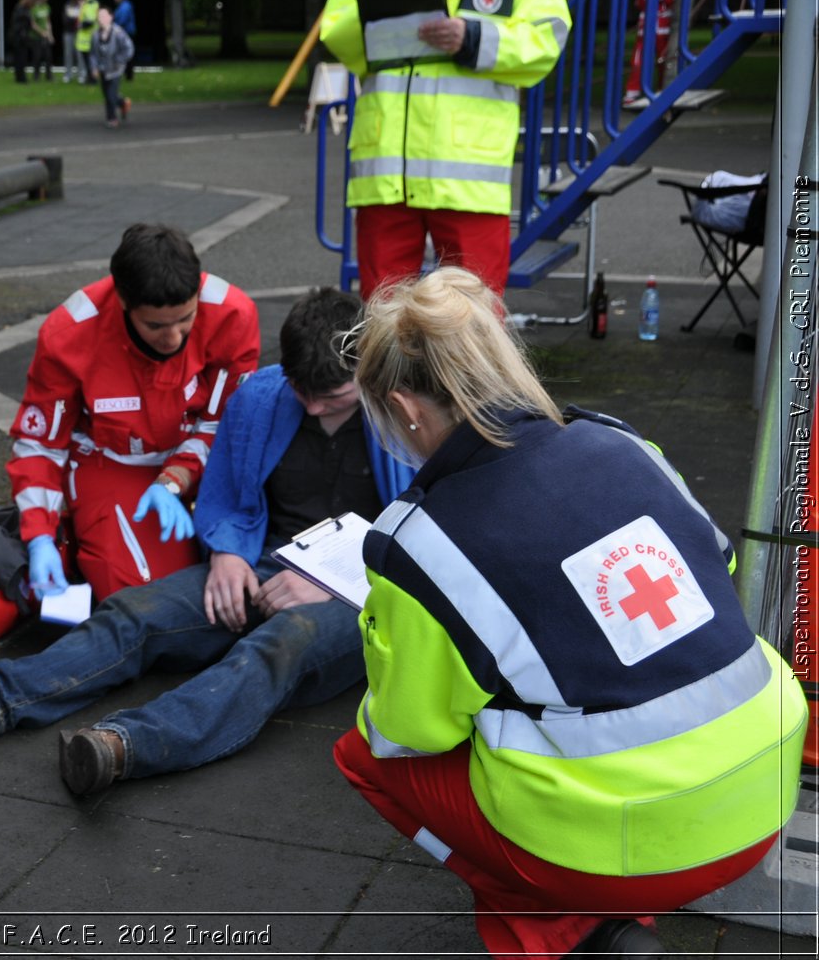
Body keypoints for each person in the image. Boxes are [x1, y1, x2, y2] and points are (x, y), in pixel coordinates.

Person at [334, 267, 806, 958]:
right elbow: (715, 571)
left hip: (645, 845)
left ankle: (574, 931)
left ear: (406, 407)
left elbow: (411, 728)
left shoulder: (420, 540)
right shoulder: (623, 441)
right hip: (767, 793)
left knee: (364, 751)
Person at [0, 288, 414, 796]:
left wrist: (342, 583)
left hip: (367, 590)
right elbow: (224, 491)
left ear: (366, 373)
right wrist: (225, 552)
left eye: (334, 396)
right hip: (266, 560)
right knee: (134, 612)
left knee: (273, 648)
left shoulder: (407, 412)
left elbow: (430, 538)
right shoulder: (265, 394)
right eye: (304, 394)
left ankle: (125, 745)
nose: (315, 408)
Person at [320, 0, 570, 297]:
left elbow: (546, 40)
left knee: (473, 319)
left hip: (467, 176)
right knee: (383, 317)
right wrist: (385, 20)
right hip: (390, 176)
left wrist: (471, 37)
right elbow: (335, 29)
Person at [8, 223, 258, 604]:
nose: (173, 337)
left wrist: (174, 479)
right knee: (142, 599)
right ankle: (75, 538)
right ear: (123, 301)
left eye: (185, 319)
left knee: (244, 578)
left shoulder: (231, 315)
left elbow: (225, 424)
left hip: (205, 462)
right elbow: (41, 445)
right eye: (156, 325)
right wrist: (39, 536)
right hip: (111, 462)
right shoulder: (69, 335)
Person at [90, 8, 135, 129]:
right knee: (107, 95)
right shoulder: (95, 35)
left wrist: (119, 60)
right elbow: (93, 54)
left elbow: (129, 48)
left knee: (111, 95)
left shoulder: (118, 33)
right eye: (99, 16)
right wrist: (94, 68)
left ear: (111, 17)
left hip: (116, 69)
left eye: (104, 16)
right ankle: (123, 103)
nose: (101, 19)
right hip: (103, 69)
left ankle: (112, 118)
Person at [9, 0, 37, 83]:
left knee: (19, 58)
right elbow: (27, 23)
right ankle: (21, 78)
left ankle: (19, 77)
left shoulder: (19, 9)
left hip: (18, 37)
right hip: (20, 38)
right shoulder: (23, 11)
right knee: (21, 58)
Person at [75, 0, 100, 85]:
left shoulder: (89, 2)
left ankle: (91, 79)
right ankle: (91, 78)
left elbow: (90, 20)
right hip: (90, 35)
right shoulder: (92, 2)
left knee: (89, 59)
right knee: (90, 58)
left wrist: (80, 25)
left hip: (87, 36)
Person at [29, 0, 54, 81]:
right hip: (36, 37)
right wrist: (41, 32)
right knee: (37, 56)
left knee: (48, 56)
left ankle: (49, 76)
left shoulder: (47, 7)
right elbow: (32, 24)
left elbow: (48, 21)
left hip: (46, 36)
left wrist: (50, 35)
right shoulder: (33, 8)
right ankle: (36, 76)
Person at [111, 0, 136, 82]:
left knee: (128, 53)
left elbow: (122, 20)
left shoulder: (125, 6)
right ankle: (125, 73)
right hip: (123, 33)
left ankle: (129, 75)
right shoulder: (122, 6)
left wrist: (114, 26)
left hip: (127, 33)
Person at [62, 0, 85, 84]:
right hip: (68, 32)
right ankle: (68, 75)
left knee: (80, 55)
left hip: (79, 33)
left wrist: (75, 17)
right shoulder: (68, 4)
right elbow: (66, 19)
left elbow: (83, 18)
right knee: (68, 54)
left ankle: (82, 74)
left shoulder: (82, 4)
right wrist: (75, 18)